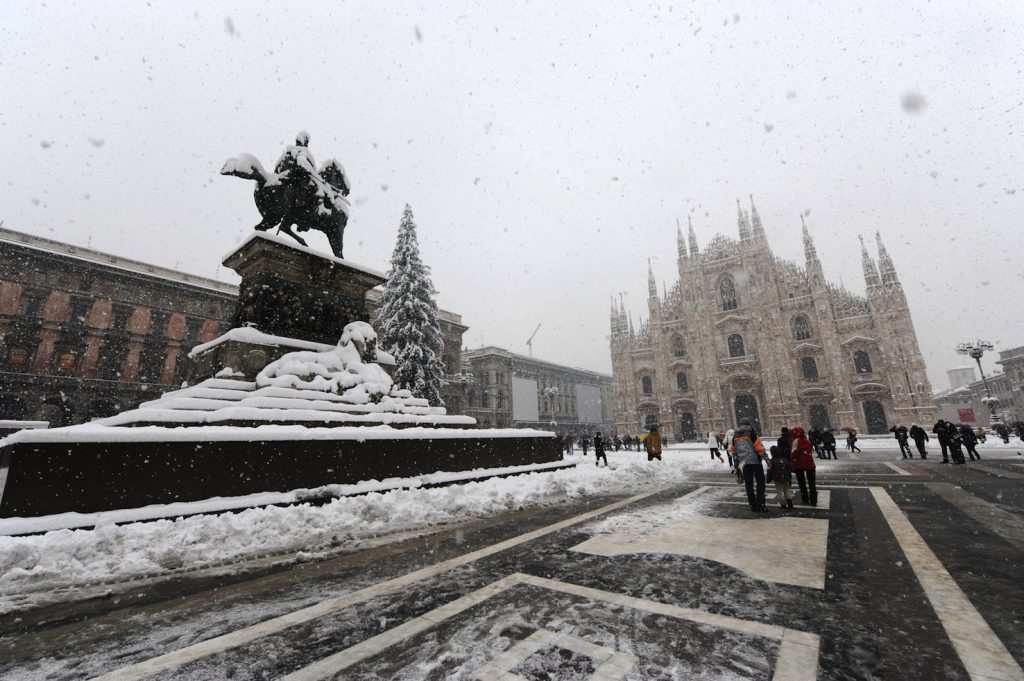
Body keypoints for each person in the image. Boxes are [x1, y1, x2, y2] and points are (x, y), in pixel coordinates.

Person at [731, 418, 771, 513]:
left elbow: (733, 451)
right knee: (760, 484)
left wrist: (736, 462)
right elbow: (759, 448)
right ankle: (760, 505)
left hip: (744, 464)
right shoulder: (751, 434)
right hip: (755, 462)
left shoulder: (735, 436)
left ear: (740, 425)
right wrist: (767, 459)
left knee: (749, 485)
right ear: (748, 425)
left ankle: (753, 505)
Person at [790, 426, 818, 506]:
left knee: (802, 483)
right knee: (812, 484)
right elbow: (810, 451)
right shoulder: (806, 440)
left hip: (799, 465)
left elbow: (793, 453)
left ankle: (805, 499)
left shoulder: (795, 441)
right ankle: (814, 500)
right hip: (810, 465)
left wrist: (792, 462)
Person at [769, 443, 794, 509]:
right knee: (787, 489)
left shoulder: (772, 461)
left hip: (777, 478)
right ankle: (789, 500)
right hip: (785, 477)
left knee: (780, 490)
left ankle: (783, 504)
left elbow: (770, 471)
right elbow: (789, 469)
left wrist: (768, 479)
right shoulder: (785, 460)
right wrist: (789, 477)